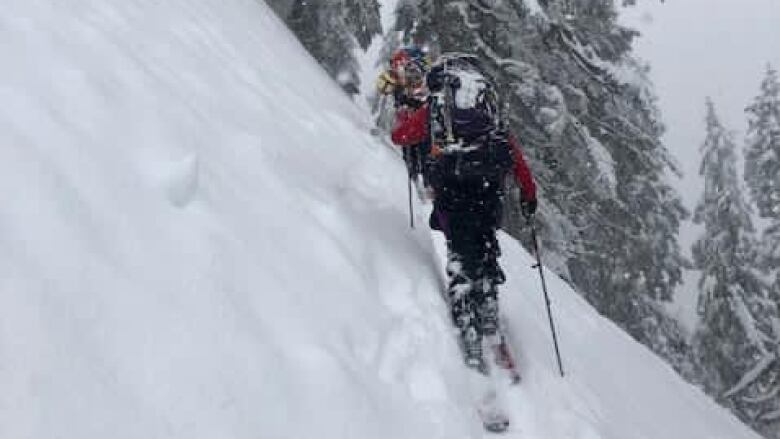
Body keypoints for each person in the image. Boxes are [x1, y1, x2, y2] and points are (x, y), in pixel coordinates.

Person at [390, 53, 538, 371]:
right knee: (485, 247)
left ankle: (468, 328)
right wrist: (528, 195)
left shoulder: (437, 109)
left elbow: (400, 137)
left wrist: (404, 116)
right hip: (488, 191)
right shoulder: (487, 110)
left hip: (451, 190)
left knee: (459, 252)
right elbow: (513, 154)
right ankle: (488, 308)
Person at [377, 46, 432, 184]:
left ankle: (423, 181)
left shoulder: (416, 77)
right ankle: (417, 179)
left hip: (417, 123)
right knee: (413, 153)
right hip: (410, 123)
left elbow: (422, 98)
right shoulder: (402, 80)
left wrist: (408, 100)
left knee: (422, 153)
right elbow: (385, 87)